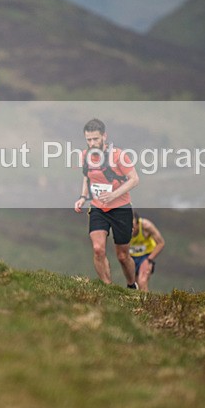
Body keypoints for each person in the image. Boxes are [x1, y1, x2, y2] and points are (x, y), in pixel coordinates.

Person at [74, 118, 140, 288]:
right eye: (88, 139)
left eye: (95, 139)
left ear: (104, 136)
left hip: (121, 209)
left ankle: (132, 285)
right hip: (98, 208)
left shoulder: (118, 155)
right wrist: (83, 197)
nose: (92, 143)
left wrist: (113, 195)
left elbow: (134, 179)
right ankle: (108, 288)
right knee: (98, 249)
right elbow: (87, 177)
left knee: (123, 256)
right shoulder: (85, 155)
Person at [129, 211, 166, 292]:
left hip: (145, 255)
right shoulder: (122, 228)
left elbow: (161, 243)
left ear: (138, 224)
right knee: (134, 286)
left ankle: (146, 299)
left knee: (142, 281)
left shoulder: (146, 226)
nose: (131, 229)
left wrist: (149, 259)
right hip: (131, 257)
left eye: (132, 226)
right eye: (128, 226)